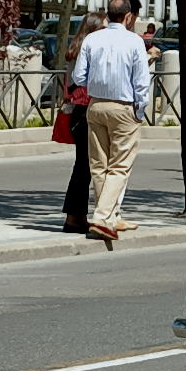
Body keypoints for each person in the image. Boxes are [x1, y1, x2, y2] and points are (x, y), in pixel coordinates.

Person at [72, 0, 150, 241]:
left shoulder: (92, 39)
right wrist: (139, 110)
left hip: (95, 106)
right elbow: (141, 82)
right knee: (119, 166)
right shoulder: (135, 41)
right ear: (128, 17)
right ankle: (103, 217)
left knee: (99, 166)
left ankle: (111, 216)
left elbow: (78, 77)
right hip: (124, 107)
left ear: (108, 14)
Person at [61, 12, 106, 233]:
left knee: (84, 167)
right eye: (104, 28)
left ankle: (76, 216)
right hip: (86, 111)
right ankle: (73, 218)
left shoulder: (74, 50)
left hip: (78, 113)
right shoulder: (87, 53)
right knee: (85, 168)